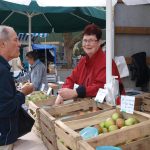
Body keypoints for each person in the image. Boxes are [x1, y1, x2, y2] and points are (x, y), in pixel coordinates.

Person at [55, 24, 125, 105]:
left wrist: (76, 92)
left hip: (110, 107)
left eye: (91, 40)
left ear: (99, 42)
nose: (87, 44)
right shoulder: (83, 61)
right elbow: (71, 79)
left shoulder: (107, 62)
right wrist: (61, 93)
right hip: (89, 106)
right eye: (85, 40)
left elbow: (100, 86)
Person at [0, 25, 33, 149]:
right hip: (4, 140)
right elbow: (6, 108)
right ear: (3, 44)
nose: (19, 44)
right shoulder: (2, 71)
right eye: (15, 40)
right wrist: (23, 93)